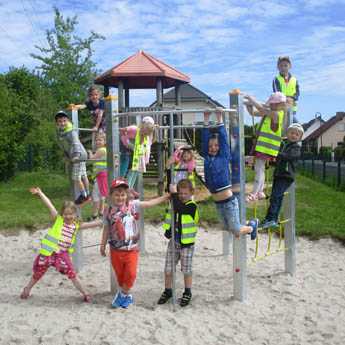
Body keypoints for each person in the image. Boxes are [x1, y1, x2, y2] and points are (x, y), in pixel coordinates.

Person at [20, 187, 102, 302]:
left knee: (72, 274)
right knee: (38, 273)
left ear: (75, 214)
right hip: (48, 253)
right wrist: (40, 193)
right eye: (66, 214)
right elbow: (49, 205)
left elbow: (92, 224)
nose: (68, 216)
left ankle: (85, 293)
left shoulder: (76, 225)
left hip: (62, 255)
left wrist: (104, 221)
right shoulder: (58, 220)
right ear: (62, 214)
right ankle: (27, 289)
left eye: (71, 214)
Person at [100, 178, 170, 309]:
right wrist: (102, 245)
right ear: (111, 195)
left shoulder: (132, 205)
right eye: (116, 194)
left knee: (131, 274)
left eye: (122, 194)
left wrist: (165, 197)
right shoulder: (108, 210)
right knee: (121, 277)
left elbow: (149, 204)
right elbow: (106, 228)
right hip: (115, 250)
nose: (120, 197)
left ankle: (122, 294)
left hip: (131, 249)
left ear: (126, 195)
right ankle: (127, 296)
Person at [202, 110, 258, 239]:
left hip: (229, 202)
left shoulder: (224, 156)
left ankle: (252, 226)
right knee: (227, 228)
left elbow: (223, 138)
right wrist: (206, 119)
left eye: (216, 145)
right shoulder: (206, 157)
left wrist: (219, 117)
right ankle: (245, 227)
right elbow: (204, 140)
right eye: (210, 146)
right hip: (218, 203)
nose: (213, 147)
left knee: (235, 229)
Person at [158, 179, 198, 307]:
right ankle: (168, 290)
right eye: (180, 193)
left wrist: (174, 194)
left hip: (187, 244)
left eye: (185, 193)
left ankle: (187, 291)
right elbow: (171, 216)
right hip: (174, 242)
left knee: (186, 270)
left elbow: (181, 209)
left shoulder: (192, 206)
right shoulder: (175, 203)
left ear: (191, 193)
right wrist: (168, 230)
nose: (182, 196)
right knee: (168, 269)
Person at [244, 92, 287, 202]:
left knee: (259, 169)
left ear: (279, 104)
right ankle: (260, 191)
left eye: (273, 104)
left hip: (267, 147)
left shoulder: (277, 114)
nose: (271, 105)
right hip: (264, 146)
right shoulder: (270, 113)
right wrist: (248, 105)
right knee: (260, 169)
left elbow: (260, 108)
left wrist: (251, 98)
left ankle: (254, 193)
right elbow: (253, 112)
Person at [261, 123, 304, 228]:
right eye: (292, 133)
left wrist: (276, 153)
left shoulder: (296, 148)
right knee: (277, 197)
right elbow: (280, 160)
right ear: (287, 134)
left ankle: (271, 218)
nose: (294, 135)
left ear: (299, 138)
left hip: (286, 176)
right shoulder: (286, 145)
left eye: (296, 134)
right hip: (279, 175)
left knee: (275, 197)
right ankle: (272, 219)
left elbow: (289, 157)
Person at [55, 111, 90, 205]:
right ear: (57, 123)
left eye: (64, 121)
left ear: (68, 120)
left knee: (76, 177)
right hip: (79, 155)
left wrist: (76, 156)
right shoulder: (60, 132)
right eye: (60, 121)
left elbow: (75, 143)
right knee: (83, 175)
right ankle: (87, 193)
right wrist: (66, 156)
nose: (62, 123)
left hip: (78, 155)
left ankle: (84, 196)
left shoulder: (70, 131)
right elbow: (63, 146)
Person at [120, 116, 156, 187]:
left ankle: (130, 187)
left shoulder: (146, 136)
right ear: (142, 126)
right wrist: (125, 133)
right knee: (128, 164)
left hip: (134, 150)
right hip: (125, 146)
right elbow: (124, 129)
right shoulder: (135, 129)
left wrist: (146, 159)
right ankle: (124, 181)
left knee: (135, 170)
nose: (145, 134)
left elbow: (147, 146)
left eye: (147, 133)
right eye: (144, 132)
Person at [273, 56, 300, 123]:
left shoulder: (294, 79)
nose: (283, 68)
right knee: (296, 125)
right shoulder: (276, 79)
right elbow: (277, 94)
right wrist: (287, 99)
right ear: (278, 67)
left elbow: (297, 93)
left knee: (291, 128)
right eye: (281, 66)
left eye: (285, 65)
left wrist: (293, 98)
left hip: (292, 109)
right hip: (281, 109)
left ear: (290, 66)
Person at [87, 132, 107, 220]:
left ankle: (94, 214)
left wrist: (90, 152)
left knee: (95, 195)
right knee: (102, 194)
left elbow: (92, 159)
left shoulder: (101, 150)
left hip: (100, 175)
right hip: (103, 174)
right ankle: (101, 213)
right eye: (96, 140)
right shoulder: (104, 150)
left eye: (100, 140)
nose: (98, 142)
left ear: (105, 141)